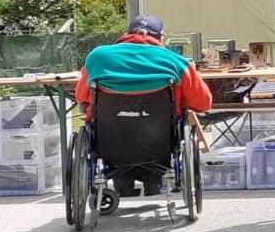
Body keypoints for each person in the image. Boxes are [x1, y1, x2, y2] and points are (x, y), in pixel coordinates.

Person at [75, 14, 214, 199]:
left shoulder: (97, 57)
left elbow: (82, 98)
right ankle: (153, 181)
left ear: (126, 34)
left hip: (109, 140)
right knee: (168, 126)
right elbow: (204, 103)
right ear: (161, 38)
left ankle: (122, 183)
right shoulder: (176, 62)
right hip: (159, 143)